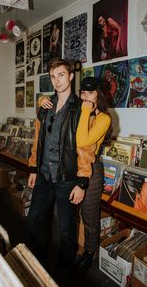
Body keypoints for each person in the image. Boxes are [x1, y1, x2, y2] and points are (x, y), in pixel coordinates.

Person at [41, 76, 111, 274]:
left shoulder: (103, 118)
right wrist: (42, 101)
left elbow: (82, 141)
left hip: (91, 170)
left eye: (91, 92)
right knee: (69, 214)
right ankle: (70, 248)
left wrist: (87, 110)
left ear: (99, 94)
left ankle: (89, 253)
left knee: (89, 217)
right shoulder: (77, 110)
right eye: (83, 92)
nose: (85, 96)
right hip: (70, 167)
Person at [27, 58, 90, 274]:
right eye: (53, 76)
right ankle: (41, 265)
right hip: (45, 174)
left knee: (66, 230)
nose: (57, 81)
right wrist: (34, 167)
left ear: (71, 76)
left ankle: (64, 273)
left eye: (61, 75)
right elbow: (38, 139)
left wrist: (82, 182)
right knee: (34, 219)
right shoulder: (45, 106)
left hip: (68, 179)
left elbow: (86, 148)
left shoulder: (81, 109)